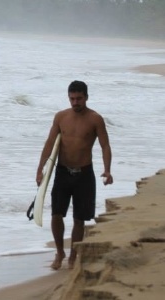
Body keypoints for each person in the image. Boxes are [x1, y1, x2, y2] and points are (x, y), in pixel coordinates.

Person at [36, 80, 113, 270]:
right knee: (56, 214)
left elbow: (105, 145)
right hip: (62, 172)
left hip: (84, 174)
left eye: (79, 98)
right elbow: (49, 143)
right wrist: (40, 169)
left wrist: (107, 169)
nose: (75, 102)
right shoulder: (61, 117)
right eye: (72, 98)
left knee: (79, 218)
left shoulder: (95, 119)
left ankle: (73, 255)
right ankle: (60, 252)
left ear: (86, 97)